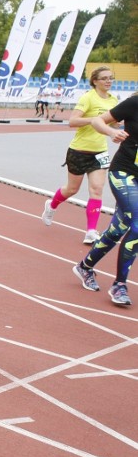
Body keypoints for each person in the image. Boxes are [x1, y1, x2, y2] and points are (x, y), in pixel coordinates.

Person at [72, 91, 138, 306]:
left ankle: (85, 266)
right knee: (137, 225)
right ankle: (120, 285)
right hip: (124, 173)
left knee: (118, 229)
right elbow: (98, 120)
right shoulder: (134, 103)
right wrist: (111, 131)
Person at [41, 66, 119, 244]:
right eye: (105, 78)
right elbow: (72, 121)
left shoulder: (114, 100)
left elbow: (112, 124)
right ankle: (51, 205)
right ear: (95, 81)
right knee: (72, 189)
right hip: (79, 151)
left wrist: (116, 126)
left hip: (100, 152)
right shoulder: (88, 98)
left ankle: (91, 231)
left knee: (97, 190)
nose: (109, 81)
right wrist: (93, 120)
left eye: (111, 78)